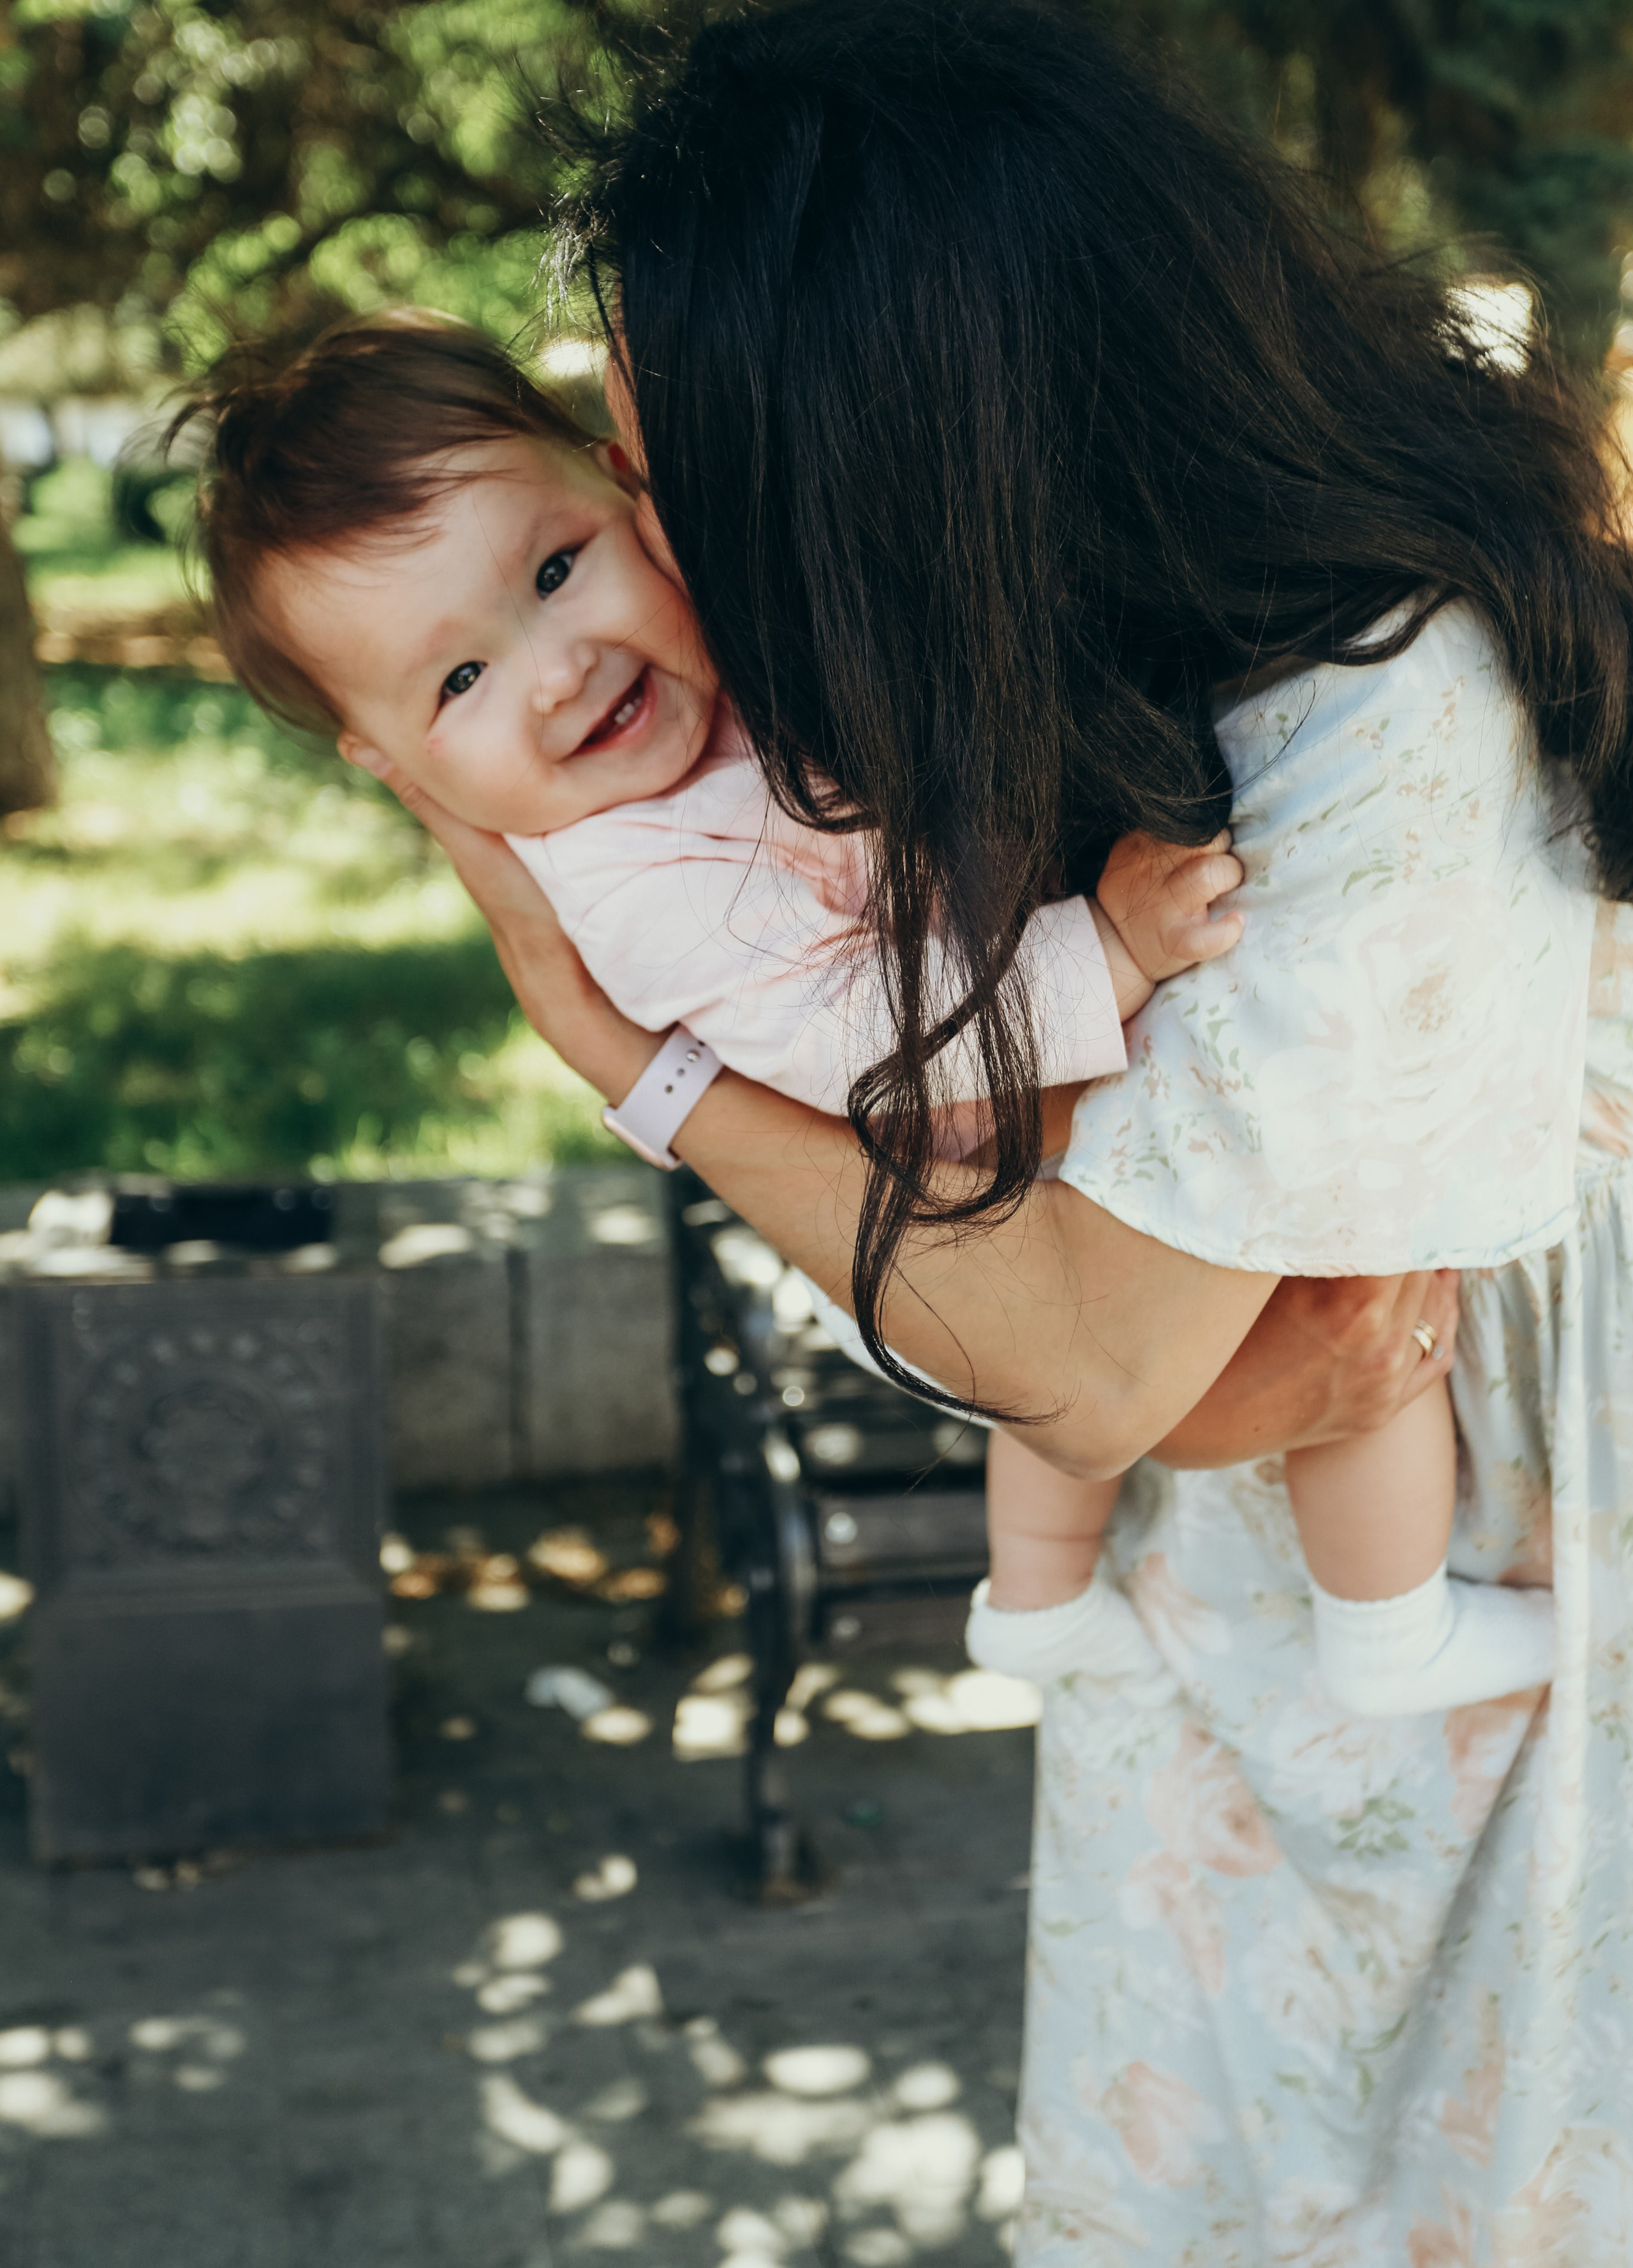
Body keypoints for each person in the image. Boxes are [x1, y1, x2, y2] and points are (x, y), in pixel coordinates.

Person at [355, 0, 1633, 2257]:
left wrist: (637, 1069)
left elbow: (1072, 1345)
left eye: (663, 487)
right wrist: (1145, 1366)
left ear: (897, 452)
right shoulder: (1028, 657)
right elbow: (1021, 1281)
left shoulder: (1380, 699)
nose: (658, 549)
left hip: (1518, 1574)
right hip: (1245, 1630)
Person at [186, 312, 1549, 1722]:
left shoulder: (745, 665)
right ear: (388, 761)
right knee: (1363, 1304)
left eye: (554, 568)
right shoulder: (630, 882)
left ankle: (1045, 1596)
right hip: (971, 1134)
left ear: (629, 497)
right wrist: (1108, 956)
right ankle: (1364, 1625)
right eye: (457, 680)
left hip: (1025, 1148)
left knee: (1336, 1306)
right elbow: (865, 1038)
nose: (554, 666)